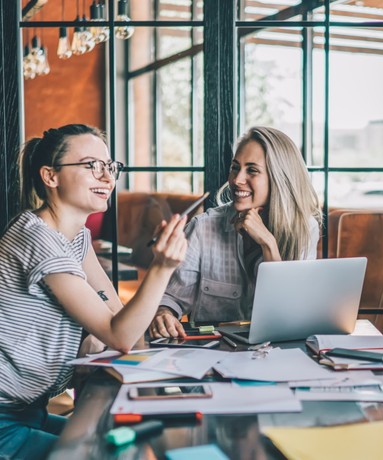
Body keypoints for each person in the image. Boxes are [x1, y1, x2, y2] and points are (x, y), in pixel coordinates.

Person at [0, 124, 187, 460]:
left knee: (125, 442)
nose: (107, 177)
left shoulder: (75, 235)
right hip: (4, 422)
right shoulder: (39, 240)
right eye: (91, 166)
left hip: (28, 409)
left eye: (110, 166)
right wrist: (162, 268)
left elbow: (117, 316)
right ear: (51, 176)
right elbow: (120, 335)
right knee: (115, 454)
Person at [149, 126, 322, 338]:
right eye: (235, 168)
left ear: (280, 178)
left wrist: (268, 244)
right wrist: (163, 312)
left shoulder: (304, 228)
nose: (237, 179)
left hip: (279, 353)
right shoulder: (203, 227)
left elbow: (289, 313)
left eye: (252, 170)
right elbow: (171, 298)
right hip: (214, 354)